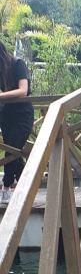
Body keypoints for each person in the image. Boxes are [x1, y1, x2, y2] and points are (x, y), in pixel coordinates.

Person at [0, 41, 34, 203]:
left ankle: (6, 186)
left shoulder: (17, 64)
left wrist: (1, 96)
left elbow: (23, 90)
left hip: (23, 114)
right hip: (6, 115)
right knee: (15, 152)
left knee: (12, 150)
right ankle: (25, 189)